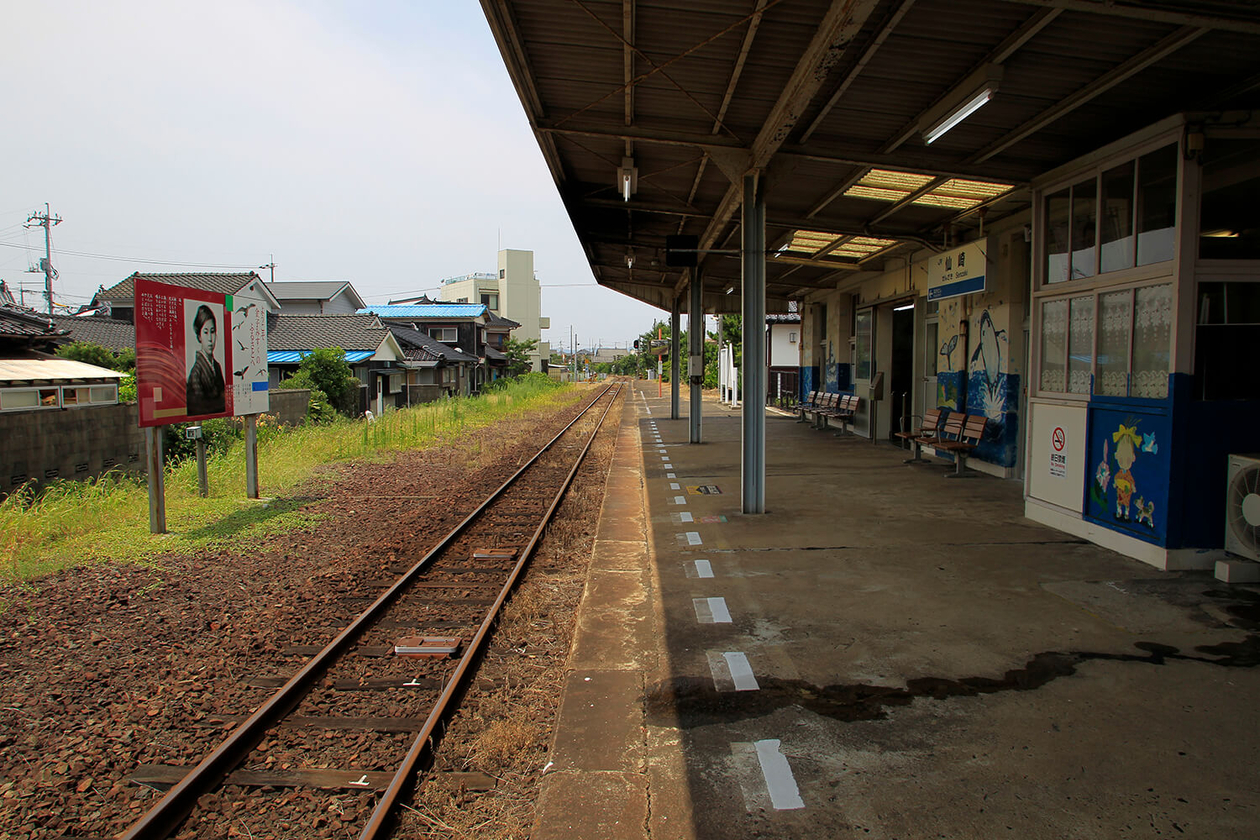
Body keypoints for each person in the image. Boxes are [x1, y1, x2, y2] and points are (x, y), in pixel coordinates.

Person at [186, 305, 225, 416]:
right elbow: (198, 405)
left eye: (212, 332)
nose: (210, 339)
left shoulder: (216, 366)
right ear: (199, 336)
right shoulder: (196, 373)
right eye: (205, 332)